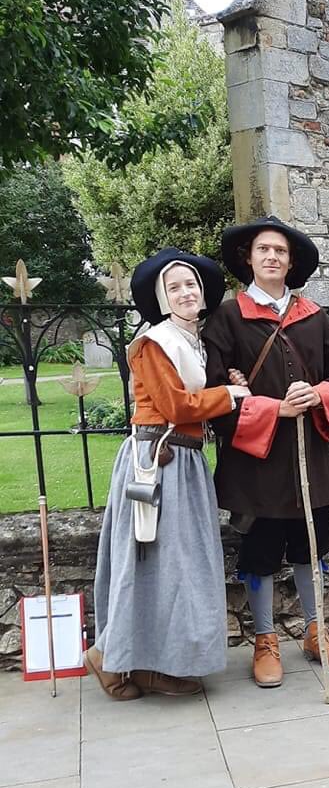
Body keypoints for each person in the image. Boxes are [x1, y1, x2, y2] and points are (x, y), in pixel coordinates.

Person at [201, 216, 329, 688]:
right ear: (248, 259)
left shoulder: (315, 317)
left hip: (310, 456)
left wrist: (319, 395)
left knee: (313, 548)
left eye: (281, 252)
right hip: (257, 464)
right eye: (263, 250)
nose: (272, 257)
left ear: (291, 263)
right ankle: (265, 640)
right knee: (260, 553)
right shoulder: (228, 318)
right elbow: (212, 393)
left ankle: (316, 632)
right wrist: (271, 408)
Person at [88, 249, 249, 700]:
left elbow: (203, 391)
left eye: (190, 284)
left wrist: (229, 382)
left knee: (177, 567)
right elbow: (176, 405)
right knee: (147, 562)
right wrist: (229, 394)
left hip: (185, 461)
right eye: (174, 286)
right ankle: (109, 656)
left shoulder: (193, 341)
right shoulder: (152, 343)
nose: (185, 292)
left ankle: (155, 665)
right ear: (161, 297)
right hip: (156, 462)